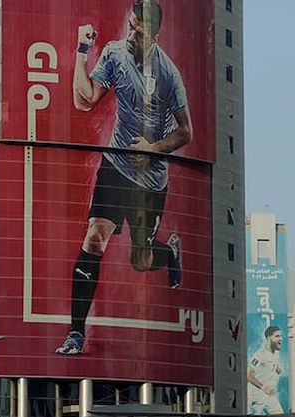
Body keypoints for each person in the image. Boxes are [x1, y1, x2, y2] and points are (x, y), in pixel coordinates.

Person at [55, 0, 192, 356]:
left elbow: (185, 132)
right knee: (94, 238)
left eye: (139, 30)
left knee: (142, 260)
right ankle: (75, 333)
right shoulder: (115, 53)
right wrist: (82, 52)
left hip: (150, 179)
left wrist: (152, 147)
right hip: (115, 166)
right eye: (130, 25)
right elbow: (85, 100)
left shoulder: (168, 74)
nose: (131, 33)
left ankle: (168, 250)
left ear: (155, 35)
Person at [247, 325, 285, 414]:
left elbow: (272, 367)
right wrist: (263, 387)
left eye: (281, 336)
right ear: (269, 338)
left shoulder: (276, 354)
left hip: (269, 396)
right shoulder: (260, 355)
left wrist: (277, 369)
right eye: (277, 336)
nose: (281, 339)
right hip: (256, 396)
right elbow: (248, 375)